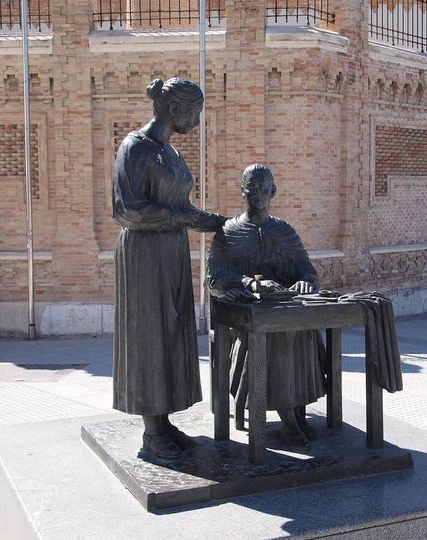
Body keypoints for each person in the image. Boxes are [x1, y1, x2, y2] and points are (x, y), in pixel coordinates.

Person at [112, 78, 225, 459]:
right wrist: (178, 217)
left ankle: (164, 423)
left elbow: (184, 207)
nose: (198, 121)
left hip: (172, 250)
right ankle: (151, 430)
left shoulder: (171, 154)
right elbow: (127, 210)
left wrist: (215, 222)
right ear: (175, 109)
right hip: (143, 255)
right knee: (148, 334)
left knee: (172, 328)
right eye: (196, 112)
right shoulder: (136, 148)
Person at [207, 164, 326, 447]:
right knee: (275, 336)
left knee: (303, 330)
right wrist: (249, 283)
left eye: (263, 188)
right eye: (251, 187)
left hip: (284, 313)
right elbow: (214, 278)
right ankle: (289, 420)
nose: (257, 193)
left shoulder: (285, 231)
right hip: (244, 320)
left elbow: (308, 271)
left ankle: (297, 411)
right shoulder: (228, 232)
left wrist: (306, 282)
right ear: (242, 191)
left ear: (274, 191)